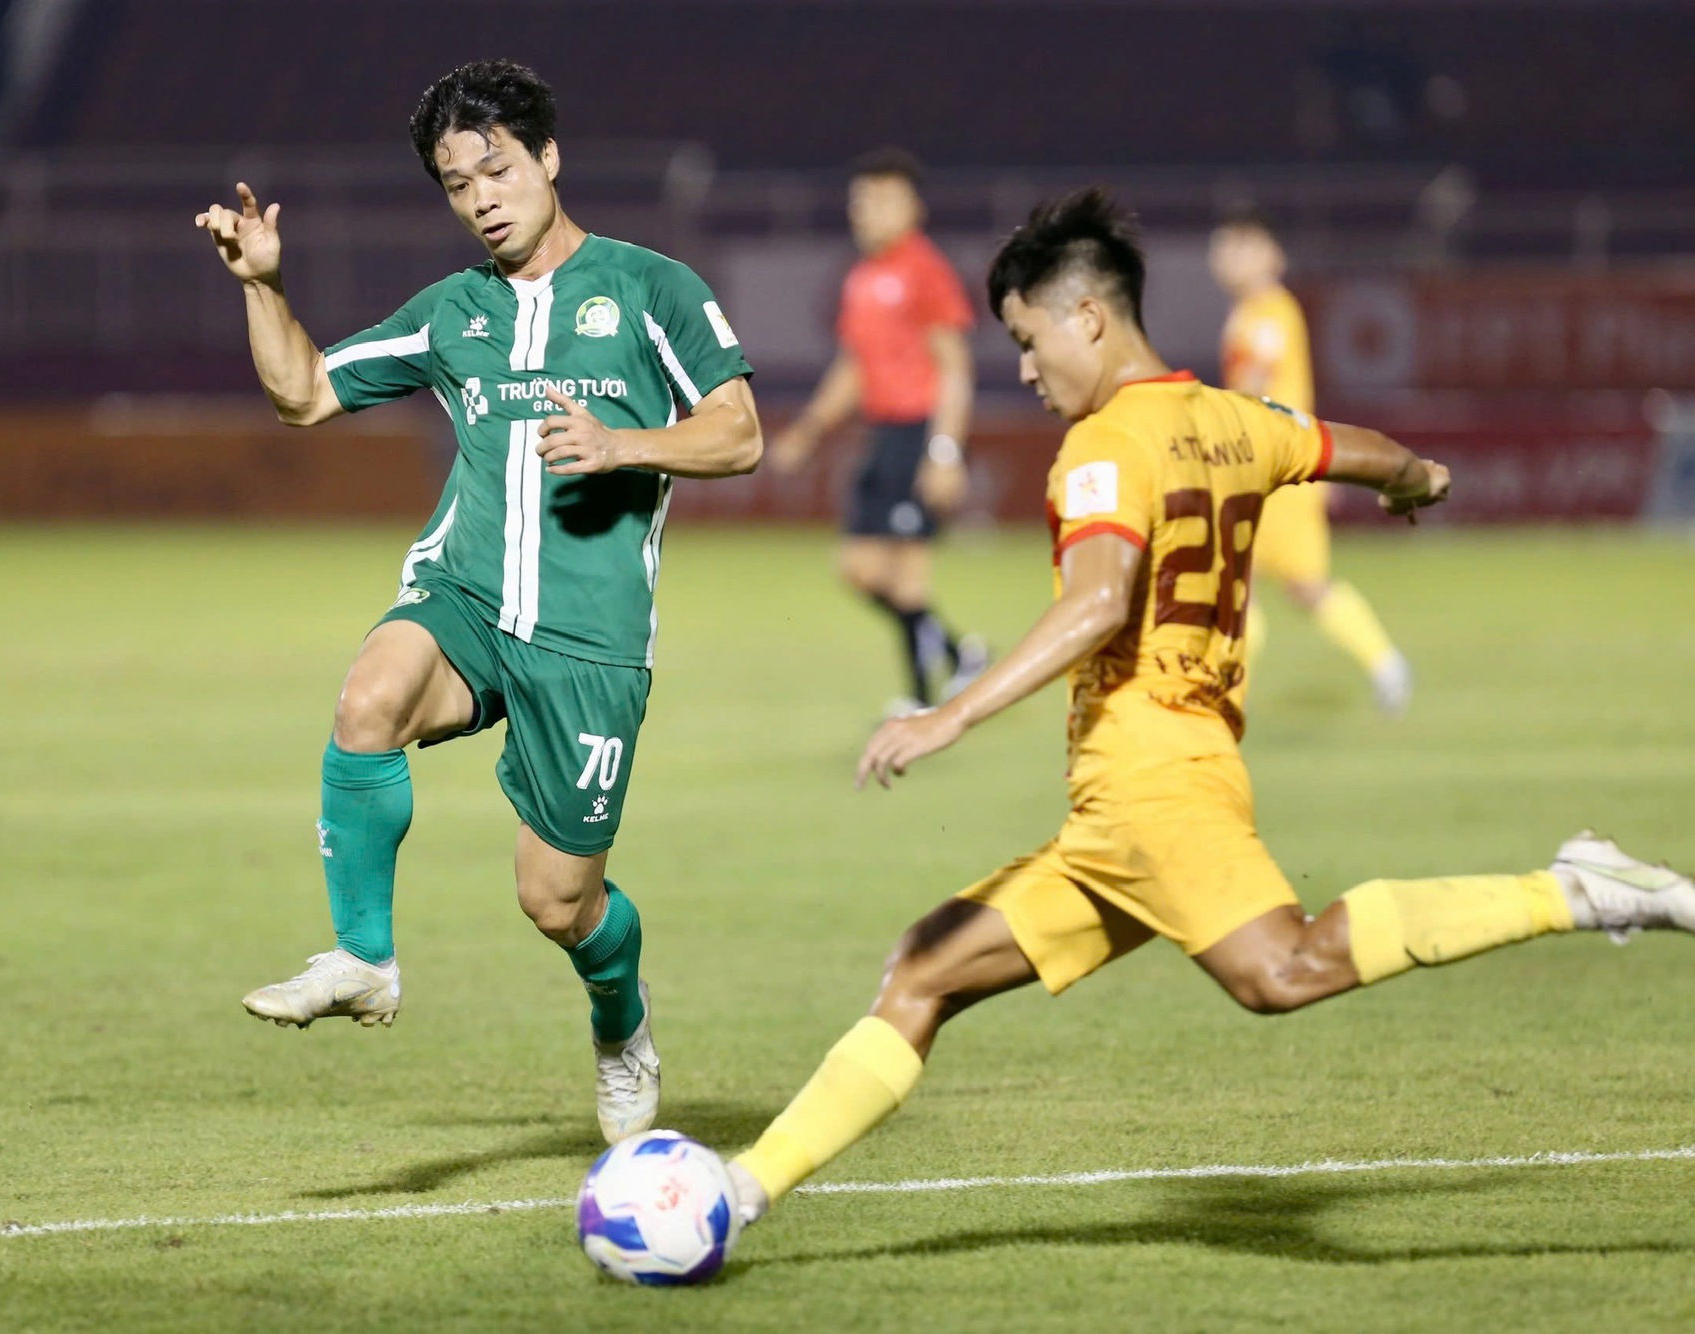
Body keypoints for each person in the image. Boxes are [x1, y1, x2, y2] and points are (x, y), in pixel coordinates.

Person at [725, 189, 1691, 1224]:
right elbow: (1346, 444)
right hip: (1130, 803)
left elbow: (1097, 600)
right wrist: (1414, 478)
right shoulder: (1231, 420)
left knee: (1281, 967)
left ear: (1086, 316)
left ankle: (1574, 889)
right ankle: (736, 1192)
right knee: (921, 969)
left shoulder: (1102, 446)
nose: (1023, 368)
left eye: (1025, 338)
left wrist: (945, 715)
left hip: (1151, 782)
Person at [196, 59, 761, 1144]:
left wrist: (621, 443)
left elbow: (738, 432)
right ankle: (363, 956)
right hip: (463, 597)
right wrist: (262, 282)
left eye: (496, 168)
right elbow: (305, 394)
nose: (481, 197)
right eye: (457, 184)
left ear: (547, 159)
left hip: (589, 640)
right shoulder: (454, 312)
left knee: (555, 900)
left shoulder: (653, 289)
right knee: (368, 697)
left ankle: (620, 1022)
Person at [771, 149, 985, 716]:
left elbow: (955, 368)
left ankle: (919, 700)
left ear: (913, 207)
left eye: (881, 200)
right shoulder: (863, 278)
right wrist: (809, 430)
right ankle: (963, 653)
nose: (867, 212)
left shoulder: (926, 270)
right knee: (860, 570)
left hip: (919, 434)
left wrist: (944, 451)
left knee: (907, 574)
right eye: (860, 201)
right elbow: (853, 368)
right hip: (882, 435)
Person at [1209, 207, 1412, 714]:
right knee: (1240, 582)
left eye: (1240, 248)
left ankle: (1385, 664)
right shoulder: (1254, 312)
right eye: (1224, 251)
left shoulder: (1270, 311)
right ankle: (1226, 695)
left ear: (1270, 255)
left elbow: (1255, 385)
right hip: (1264, 465)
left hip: (1275, 469)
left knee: (1300, 585)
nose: (1228, 260)